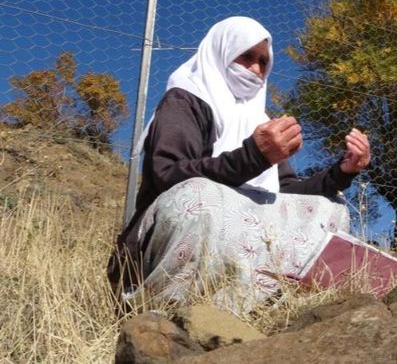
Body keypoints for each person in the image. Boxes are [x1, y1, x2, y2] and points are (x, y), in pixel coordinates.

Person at [108, 16, 371, 313]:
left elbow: (284, 191)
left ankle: (267, 304)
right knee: (198, 196)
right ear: (222, 51)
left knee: (329, 209)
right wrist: (254, 157)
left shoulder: (260, 120)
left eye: (263, 61)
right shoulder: (185, 99)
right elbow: (168, 174)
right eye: (246, 56)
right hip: (157, 243)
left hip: (241, 240)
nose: (256, 69)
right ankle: (164, 312)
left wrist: (342, 172)